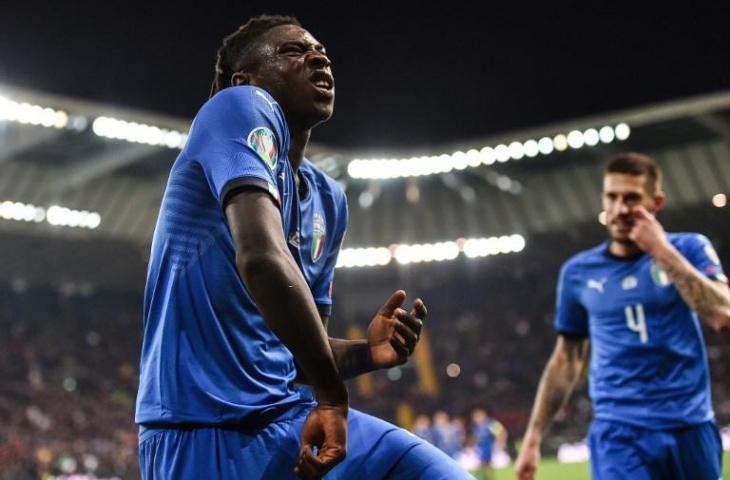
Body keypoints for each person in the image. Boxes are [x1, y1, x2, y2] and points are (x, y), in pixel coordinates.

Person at [134, 14, 472, 480]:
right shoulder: (235, 106)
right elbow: (261, 258)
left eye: (321, 50)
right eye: (293, 51)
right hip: (202, 430)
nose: (318, 56)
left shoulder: (328, 200)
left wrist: (368, 354)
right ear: (245, 78)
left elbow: (300, 353)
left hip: (290, 417)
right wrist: (332, 398)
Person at [515, 153, 730, 480]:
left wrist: (661, 251)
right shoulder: (578, 272)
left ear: (656, 202)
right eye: (611, 197)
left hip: (690, 426)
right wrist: (533, 437)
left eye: (631, 198)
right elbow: (566, 361)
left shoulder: (689, 248)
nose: (619, 209)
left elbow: (722, 313)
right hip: (620, 433)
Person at [471, 408, 507, 478]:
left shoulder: (490, 424)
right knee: (482, 464)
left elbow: (501, 432)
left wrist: (500, 442)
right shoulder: (477, 427)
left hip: (488, 447)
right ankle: (484, 477)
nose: (476, 419)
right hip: (480, 448)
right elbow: (476, 438)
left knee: (486, 464)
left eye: (477, 416)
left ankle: (487, 477)